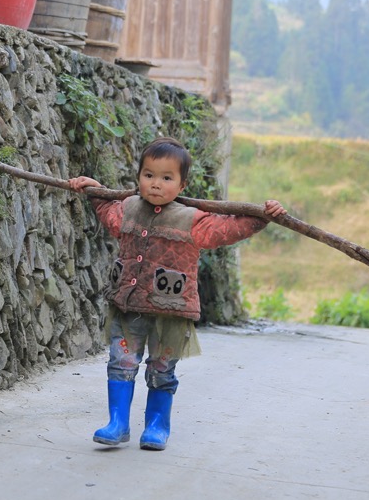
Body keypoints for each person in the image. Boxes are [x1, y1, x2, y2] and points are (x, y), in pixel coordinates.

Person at [68, 137, 287, 451]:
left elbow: (226, 229)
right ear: (139, 176)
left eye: (167, 178)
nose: (156, 184)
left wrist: (263, 216)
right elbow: (108, 211)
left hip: (171, 311)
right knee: (121, 362)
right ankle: (117, 424)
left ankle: (157, 425)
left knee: (161, 368)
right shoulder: (128, 208)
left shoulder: (192, 220)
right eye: (149, 175)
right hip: (129, 306)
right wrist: (93, 189)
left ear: (182, 185)